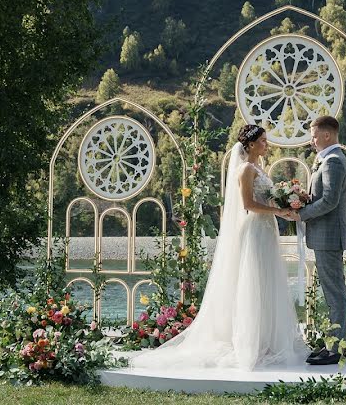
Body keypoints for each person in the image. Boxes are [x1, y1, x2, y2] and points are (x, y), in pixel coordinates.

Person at [127, 124, 309, 371]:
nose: (267, 145)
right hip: (255, 229)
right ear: (251, 144)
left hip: (267, 229)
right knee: (253, 282)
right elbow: (247, 204)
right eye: (263, 141)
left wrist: (285, 208)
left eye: (267, 141)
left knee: (268, 281)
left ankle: (267, 339)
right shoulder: (245, 169)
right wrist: (278, 210)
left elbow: (265, 199)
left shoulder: (260, 167)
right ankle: (251, 342)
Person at [284, 115, 346, 366]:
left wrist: (301, 213)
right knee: (332, 291)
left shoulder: (333, 161)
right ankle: (334, 343)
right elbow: (320, 196)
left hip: (329, 236)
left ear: (326, 135)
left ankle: (336, 349)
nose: (311, 140)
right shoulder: (325, 159)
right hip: (324, 236)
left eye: (313, 135)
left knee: (335, 293)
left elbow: (331, 201)